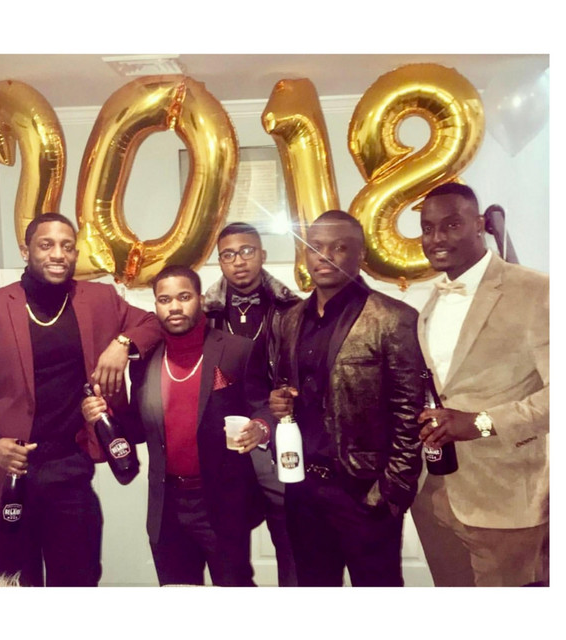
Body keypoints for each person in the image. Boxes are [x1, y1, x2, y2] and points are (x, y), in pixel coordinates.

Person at [0, 212, 161, 587]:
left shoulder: (99, 298)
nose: (58, 254)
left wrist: (122, 344)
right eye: (46, 245)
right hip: (4, 475)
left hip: (69, 472)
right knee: (12, 589)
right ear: (25, 250)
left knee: (77, 584)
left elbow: (153, 323)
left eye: (67, 246)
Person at [82, 265, 273, 587]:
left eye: (184, 297)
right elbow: (138, 431)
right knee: (176, 596)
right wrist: (105, 415)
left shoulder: (237, 349)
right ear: (156, 305)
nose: (174, 307)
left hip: (222, 504)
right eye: (164, 299)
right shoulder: (145, 360)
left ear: (200, 299)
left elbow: (263, 405)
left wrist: (261, 427)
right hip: (167, 507)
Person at [269, 210, 425, 587]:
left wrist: (391, 491)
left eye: (339, 247)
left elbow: (410, 411)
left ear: (360, 254)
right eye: (315, 247)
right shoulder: (289, 319)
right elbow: (285, 384)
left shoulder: (393, 318)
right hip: (303, 487)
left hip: (365, 492)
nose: (324, 256)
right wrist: (280, 401)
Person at [410, 182, 549, 587]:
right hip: (437, 491)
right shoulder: (433, 300)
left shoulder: (535, 290)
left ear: (480, 224)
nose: (437, 238)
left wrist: (481, 423)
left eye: (451, 225)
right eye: (428, 228)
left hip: (507, 495)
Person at [204, 222, 299, 586]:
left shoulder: (292, 310)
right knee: (229, 549)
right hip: (224, 440)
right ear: (220, 262)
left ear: (262, 254)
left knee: (290, 539)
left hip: (278, 435)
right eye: (228, 255)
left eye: (246, 251)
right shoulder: (205, 313)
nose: (239, 261)